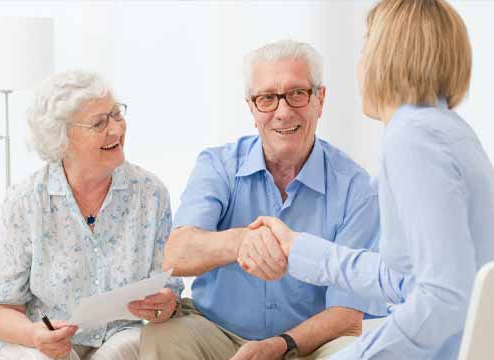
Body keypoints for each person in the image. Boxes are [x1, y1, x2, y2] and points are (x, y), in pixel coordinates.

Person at [251, 1, 494, 359]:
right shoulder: (448, 130)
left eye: (365, 45)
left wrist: (355, 356)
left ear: (389, 55)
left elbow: (443, 295)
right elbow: (401, 278)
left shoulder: (412, 138)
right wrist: (297, 247)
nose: (359, 61)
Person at [140, 39, 387, 360]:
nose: (283, 112)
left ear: (320, 99)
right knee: (164, 335)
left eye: (297, 93)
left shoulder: (356, 187)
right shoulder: (218, 166)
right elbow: (176, 254)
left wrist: (280, 344)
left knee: (358, 352)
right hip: (217, 331)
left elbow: (347, 314)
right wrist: (241, 242)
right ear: (252, 108)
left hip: (306, 343)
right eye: (267, 98)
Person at [0, 71, 183, 360]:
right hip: (41, 340)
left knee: (126, 350)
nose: (117, 129)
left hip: (118, 336)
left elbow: (168, 287)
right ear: (62, 139)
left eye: (116, 114)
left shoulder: (150, 193)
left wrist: (166, 304)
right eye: (99, 123)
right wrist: (36, 335)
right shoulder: (25, 202)